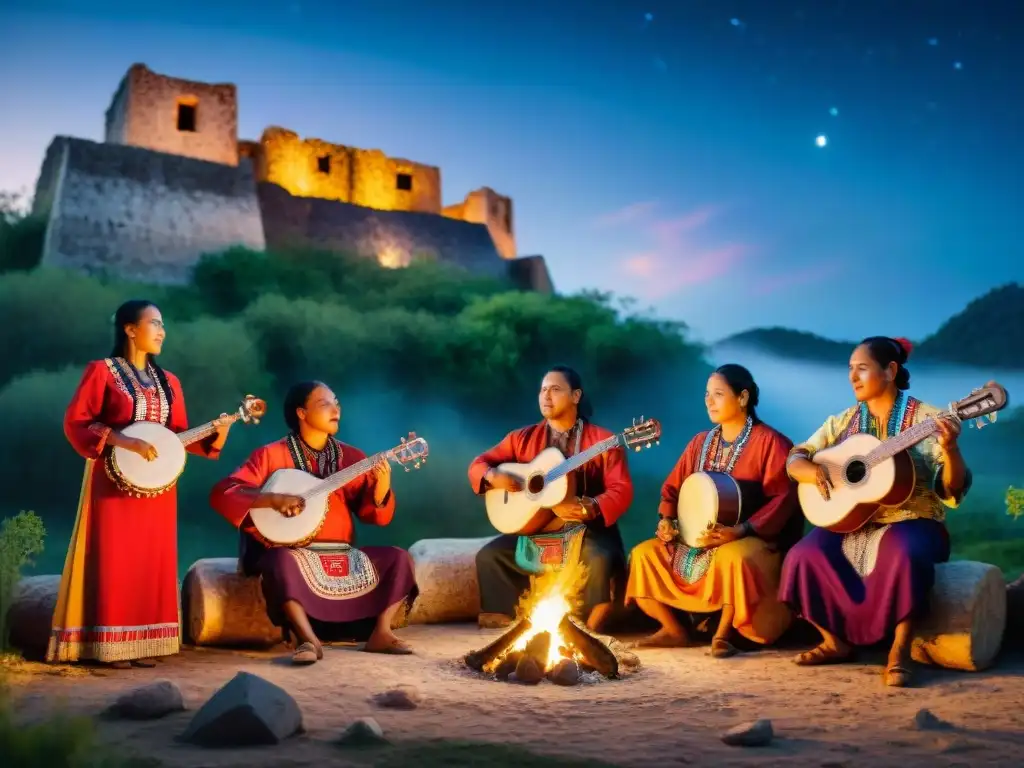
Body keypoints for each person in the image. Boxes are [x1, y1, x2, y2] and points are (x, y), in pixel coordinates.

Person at [48, 300, 233, 668]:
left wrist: (219, 432)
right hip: (111, 480)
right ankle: (107, 643)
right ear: (130, 329)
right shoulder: (101, 372)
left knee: (151, 558)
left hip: (159, 484)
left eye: (163, 324)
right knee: (114, 556)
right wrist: (124, 441)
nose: (162, 331)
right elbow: (77, 423)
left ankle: (143, 642)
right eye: (155, 323)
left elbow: (178, 435)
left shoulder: (170, 382)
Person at [779, 336, 972, 687]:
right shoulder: (843, 422)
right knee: (802, 555)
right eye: (850, 369)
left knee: (905, 553)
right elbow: (797, 455)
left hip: (912, 520)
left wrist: (951, 448)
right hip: (854, 521)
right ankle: (834, 641)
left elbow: (953, 487)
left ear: (890, 371)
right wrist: (806, 469)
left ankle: (900, 649)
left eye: (862, 369)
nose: (852, 377)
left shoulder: (927, 419)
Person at [209, 381, 418, 664]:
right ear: (302, 413)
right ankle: (308, 640)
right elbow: (225, 492)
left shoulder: (352, 458)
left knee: (398, 558)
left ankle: (381, 632)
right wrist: (272, 499)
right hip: (294, 554)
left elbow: (375, 516)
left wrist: (381, 487)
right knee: (279, 561)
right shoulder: (270, 455)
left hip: (340, 553)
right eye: (325, 404)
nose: (336, 410)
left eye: (337, 404)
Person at [625, 364, 802, 655]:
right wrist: (667, 520)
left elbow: (784, 498)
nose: (709, 401)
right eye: (707, 394)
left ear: (743, 397)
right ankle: (674, 629)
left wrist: (742, 530)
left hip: (751, 538)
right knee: (644, 554)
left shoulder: (771, 442)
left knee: (733, 557)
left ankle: (725, 634)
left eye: (718, 394)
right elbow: (672, 488)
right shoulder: (700, 443)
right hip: (697, 539)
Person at [469, 365, 634, 633]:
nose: (546, 396)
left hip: (584, 529)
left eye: (555, 390)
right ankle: (508, 618)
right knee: (491, 555)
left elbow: (621, 489)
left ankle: (585, 623)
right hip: (537, 528)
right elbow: (479, 463)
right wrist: (491, 476)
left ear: (576, 396)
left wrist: (591, 506)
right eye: (543, 390)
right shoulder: (520, 438)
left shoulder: (603, 441)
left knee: (598, 558)